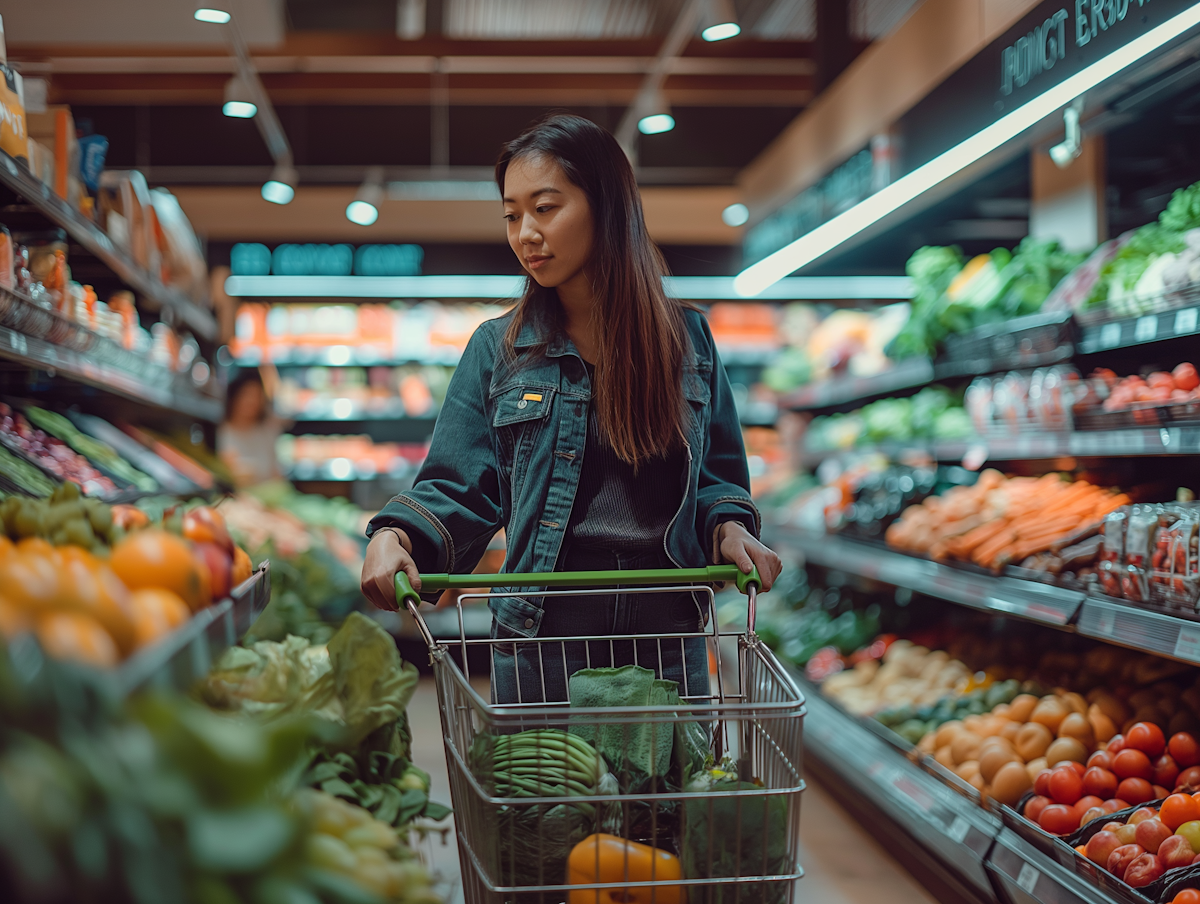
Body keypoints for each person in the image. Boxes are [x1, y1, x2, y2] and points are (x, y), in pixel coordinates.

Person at [360, 113, 781, 704]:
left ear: (606, 206)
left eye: (546, 207)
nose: (525, 233)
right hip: (542, 641)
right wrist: (396, 534)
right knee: (546, 799)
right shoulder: (499, 349)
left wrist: (730, 526)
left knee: (659, 800)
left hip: (664, 639)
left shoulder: (686, 341)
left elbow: (715, 479)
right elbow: (458, 485)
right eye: (511, 214)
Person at [217, 369, 287, 487]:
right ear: (234, 397)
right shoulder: (219, 431)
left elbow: (276, 473)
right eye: (246, 395)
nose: (252, 402)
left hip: (265, 498)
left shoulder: (268, 431)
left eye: (256, 396)